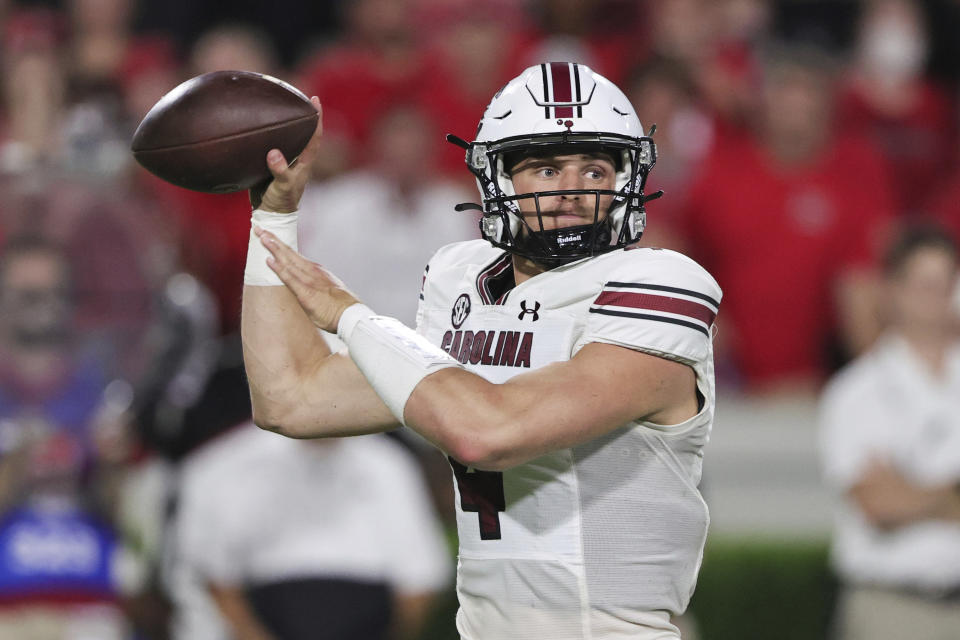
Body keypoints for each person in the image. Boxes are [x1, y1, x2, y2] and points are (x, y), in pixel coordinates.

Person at [242, 63, 722, 639]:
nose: (573, 189)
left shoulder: (658, 282)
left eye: (595, 168)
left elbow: (489, 432)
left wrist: (350, 316)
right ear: (496, 178)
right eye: (546, 167)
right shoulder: (461, 281)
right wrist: (273, 217)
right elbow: (289, 399)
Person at [819, 224, 960, 640]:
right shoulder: (857, 391)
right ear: (892, 289)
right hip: (892, 607)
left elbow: (894, 497)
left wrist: (913, 488)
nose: (935, 296)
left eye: (945, 282)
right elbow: (877, 502)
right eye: (923, 283)